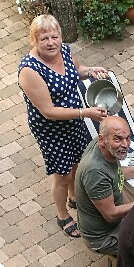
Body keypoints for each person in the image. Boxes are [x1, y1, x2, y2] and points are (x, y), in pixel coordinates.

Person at [18, 14, 108, 239]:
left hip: (74, 121)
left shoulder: (64, 51)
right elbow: (48, 111)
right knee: (62, 174)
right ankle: (62, 215)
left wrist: (90, 70)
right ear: (34, 41)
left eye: (54, 37)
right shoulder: (30, 70)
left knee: (77, 161)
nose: (51, 43)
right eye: (44, 38)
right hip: (51, 131)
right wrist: (85, 112)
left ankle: (74, 196)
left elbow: (76, 70)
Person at [75, 116, 134, 255]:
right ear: (102, 140)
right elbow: (111, 214)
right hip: (104, 238)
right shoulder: (94, 172)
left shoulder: (103, 148)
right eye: (118, 139)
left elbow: (115, 173)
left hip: (112, 217)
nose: (125, 145)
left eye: (127, 138)